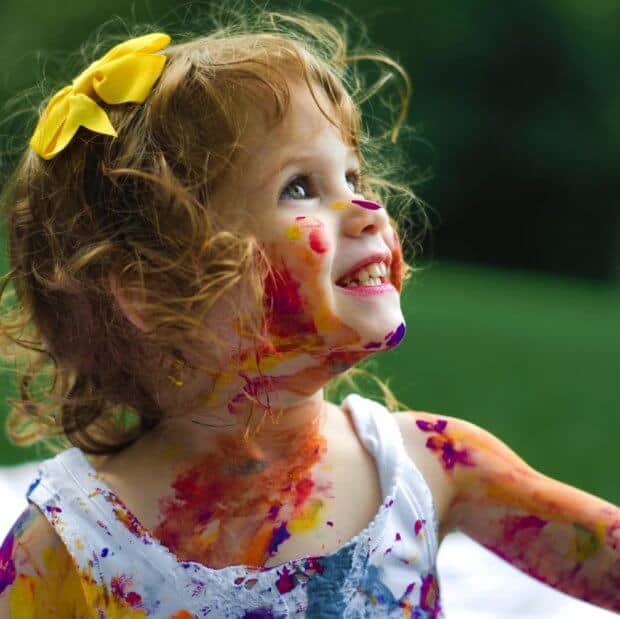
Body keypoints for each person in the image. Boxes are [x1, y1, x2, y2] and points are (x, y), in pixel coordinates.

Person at [0, 8, 618, 618]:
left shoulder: (427, 467)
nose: (367, 206)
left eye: (352, 174)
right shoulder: (75, 540)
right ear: (149, 289)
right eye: (300, 186)